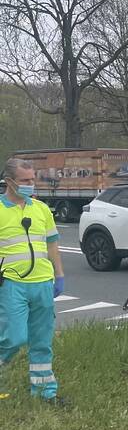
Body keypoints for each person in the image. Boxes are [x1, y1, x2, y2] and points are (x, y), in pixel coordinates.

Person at [0, 157, 65, 403]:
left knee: (42, 341)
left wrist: (59, 275)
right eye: (25, 180)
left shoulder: (41, 210)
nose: (31, 184)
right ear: (9, 182)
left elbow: (52, 244)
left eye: (32, 179)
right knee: (14, 337)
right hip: (11, 284)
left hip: (42, 283)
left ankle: (45, 392)